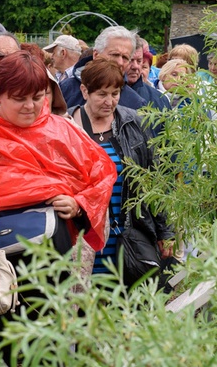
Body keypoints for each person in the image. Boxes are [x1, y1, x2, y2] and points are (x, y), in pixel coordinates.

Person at [0, 50, 116, 261]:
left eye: (38, 97)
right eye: (19, 99)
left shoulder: (65, 130)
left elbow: (101, 175)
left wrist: (79, 205)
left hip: (60, 254)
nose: (30, 106)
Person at [68, 58, 174, 276]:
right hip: (82, 235)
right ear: (84, 91)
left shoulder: (133, 122)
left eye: (115, 94)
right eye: (102, 94)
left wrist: (165, 231)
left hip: (127, 233)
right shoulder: (66, 125)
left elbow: (154, 180)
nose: (109, 101)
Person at [59, 26, 147, 110]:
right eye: (115, 55)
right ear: (96, 55)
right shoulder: (65, 90)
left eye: (125, 58)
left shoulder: (135, 104)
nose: (120, 62)